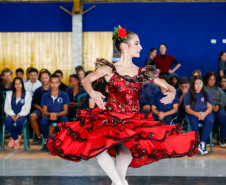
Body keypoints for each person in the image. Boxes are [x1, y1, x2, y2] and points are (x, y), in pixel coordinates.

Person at [46, 26, 199, 185]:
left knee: (126, 153)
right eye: (137, 43)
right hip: (111, 117)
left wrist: (173, 92)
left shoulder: (141, 72)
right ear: (125, 46)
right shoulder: (108, 69)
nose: (141, 47)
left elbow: (168, 85)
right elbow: (86, 81)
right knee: (98, 148)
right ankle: (119, 182)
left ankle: (117, 182)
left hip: (132, 119)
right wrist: (92, 92)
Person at [184, 75, 214, 155]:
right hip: (193, 113)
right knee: (193, 122)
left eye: (200, 83)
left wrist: (204, 114)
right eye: (196, 83)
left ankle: (202, 143)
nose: (198, 85)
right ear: (193, 84)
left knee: (210, 121)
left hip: (205, 113)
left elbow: (210, 107)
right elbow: (187, 109)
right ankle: (196, 142)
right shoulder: (188, 94)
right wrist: (196, 114)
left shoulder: (206, 93)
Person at [40, 74, 69, 150]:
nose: (54, 85)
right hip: (49, 115)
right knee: (43, 122)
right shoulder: (45, 95)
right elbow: (44, 111)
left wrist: (56, 114)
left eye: (56, 82)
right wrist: (51, 114)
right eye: (52, 82)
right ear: (49, 83)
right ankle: (47, 141)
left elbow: (65, 111)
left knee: (65, 121)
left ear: (59, 83)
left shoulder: (64, 95)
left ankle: (63, 142)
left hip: (60, 114)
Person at [4, 77, 32, 150]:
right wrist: (12, 115)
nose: (18, 85)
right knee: (7, 122)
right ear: (13, 85)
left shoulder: (27, 94)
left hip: (22, 114)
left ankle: (13, 138)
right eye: (16, 84)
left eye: (19, 83)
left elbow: (27, 108)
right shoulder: (9, 94)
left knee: (19, 122)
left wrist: (19, 114)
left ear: (22, 84)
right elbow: (6, 107)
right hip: (11, 114)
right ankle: (16, 139)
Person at [204, 72, 226, 147]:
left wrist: (218, 106)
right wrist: (210, 106)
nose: (212, 81)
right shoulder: (203, 89)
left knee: (223, 116)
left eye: (213, 79)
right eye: (210, 79)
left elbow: (223, 100)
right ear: (207, 79)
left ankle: (223, 138)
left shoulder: (219, 89)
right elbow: (201, 100)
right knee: (209, 119)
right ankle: (207, 139)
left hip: (218, 108)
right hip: (207, 108)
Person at [30, 70, 51, 144]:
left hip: (51, 110)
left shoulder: (54, 90)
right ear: (40, 79)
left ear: (49, 78)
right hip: (40, 110)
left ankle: (50, 137)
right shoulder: (38, 90)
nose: (44, 79)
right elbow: (35, 103)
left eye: (46, 77)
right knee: (32, 116)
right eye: (42, 78)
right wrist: (42, 110)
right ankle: (39, 137)